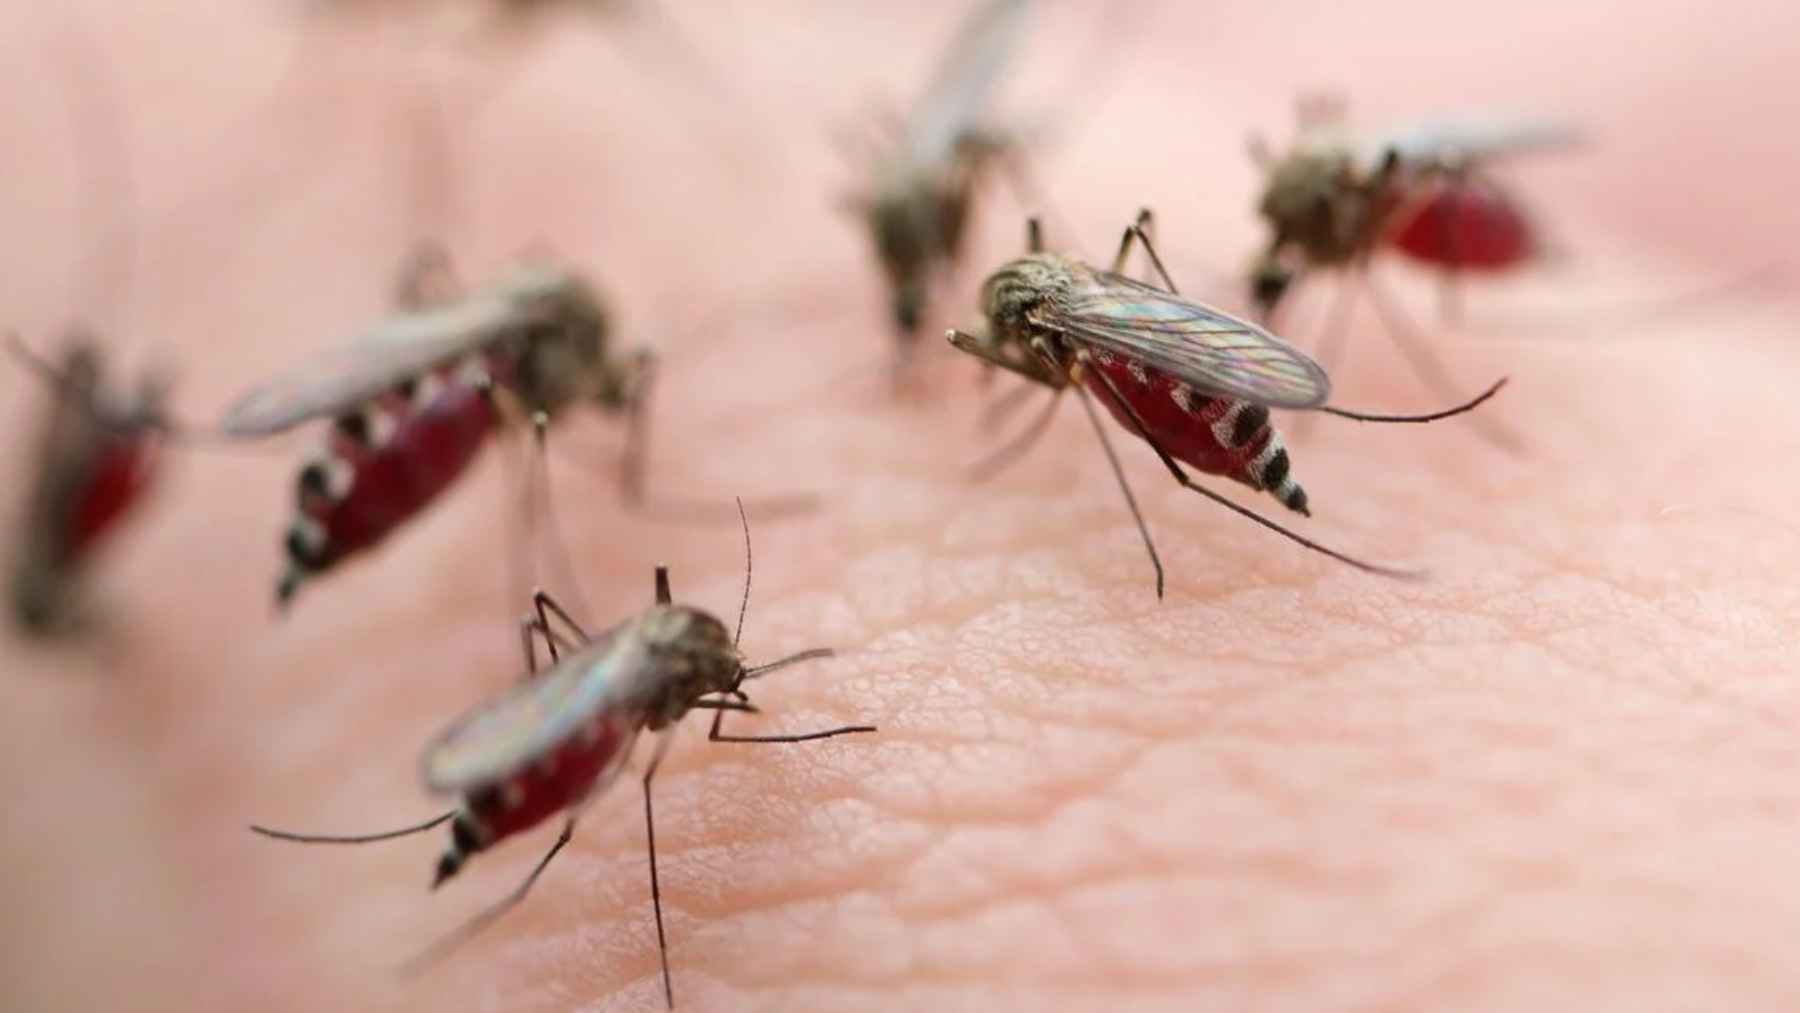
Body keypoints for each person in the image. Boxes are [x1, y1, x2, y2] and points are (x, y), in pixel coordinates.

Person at [1, 2, 1795, 1009]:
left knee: (1126, 382)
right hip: (1053, 329)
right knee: (1117, 372)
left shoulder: (1045, 314)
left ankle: (1246, 481)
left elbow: (1093, 323)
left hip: (1105, 335)